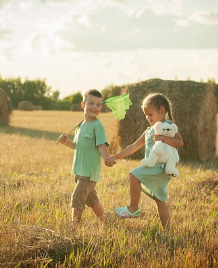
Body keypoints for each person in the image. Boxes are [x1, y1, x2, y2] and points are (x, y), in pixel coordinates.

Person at [107, 92, 184, 231]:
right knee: (160, 201)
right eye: (146, 115)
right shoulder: (149, 130)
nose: (148, 118)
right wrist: (116, 156)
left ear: (162, 111)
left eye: (150, 114)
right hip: (155, 167)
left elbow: (180, 142)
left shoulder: (168, 125)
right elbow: (134, 146)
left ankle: (133, 208)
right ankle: (168, 232)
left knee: (134, 174)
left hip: (161, 167)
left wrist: (163, 138)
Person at [57, 89, 112, 224]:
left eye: (98, 105)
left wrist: (107, 158)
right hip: (79, 170)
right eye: (91, 103)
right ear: (83, 105)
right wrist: (66, 142)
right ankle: (105, 222)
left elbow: (101, 145)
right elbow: (78, 146)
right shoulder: (80, 126)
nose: (95, 107)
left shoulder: (97, 126)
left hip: (88, 172)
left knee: (77, 197)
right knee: (91, 200)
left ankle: (74, 227)